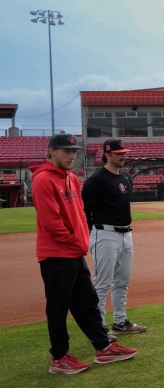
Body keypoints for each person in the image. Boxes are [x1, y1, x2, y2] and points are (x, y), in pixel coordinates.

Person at [32, 133, 138, 373]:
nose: (71, 155)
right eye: (65, 151)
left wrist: (81, 242)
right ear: (51, 152)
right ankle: (59, 357)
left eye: (74, 151)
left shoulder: (70, 177)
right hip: (56, 254)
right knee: (58, 307)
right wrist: (74, 242)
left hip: (73, 252)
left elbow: (80, 214)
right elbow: (51, 223)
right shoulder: (43, 180)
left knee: (86, 302)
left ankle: (103, 347)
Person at [82, 138, 147, 335]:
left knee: (122, 281)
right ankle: (99, 328)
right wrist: (93, 233)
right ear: (107, 155)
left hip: (126, 234)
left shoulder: (125, 177)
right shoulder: (96, 180)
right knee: (102, 284)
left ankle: (120, 322)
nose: (123, 156)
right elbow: (85, 210)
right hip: (105, 234)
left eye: (124, 153)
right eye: (118, 153)